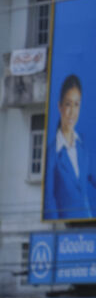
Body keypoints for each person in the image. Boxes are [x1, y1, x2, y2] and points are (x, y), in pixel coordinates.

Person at [50, 76, 91, 222]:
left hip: (89, 225)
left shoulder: (83, 147)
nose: (72, 112)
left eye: (76, 104)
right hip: (64, 231)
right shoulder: (52, 153)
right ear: (60, 106)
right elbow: (49, 199)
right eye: (68, 104)